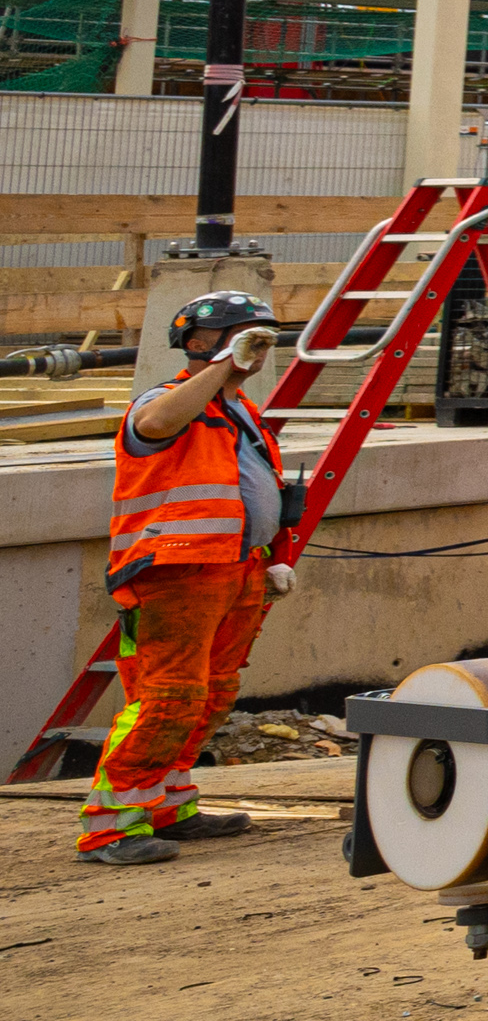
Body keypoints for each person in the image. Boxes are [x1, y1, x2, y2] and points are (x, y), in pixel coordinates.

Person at [81, 292, 298, 861]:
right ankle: (110, 826)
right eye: (247, 336)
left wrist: (273, 555)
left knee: (212, 695)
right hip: (179, 573)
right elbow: (154, 423)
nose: (258, 348)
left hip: (235, 569)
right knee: (168, 695)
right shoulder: (164, 401)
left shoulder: (240, 410)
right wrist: (225, 364)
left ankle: (169, 804)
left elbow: (250, 486)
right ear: (202, 344)